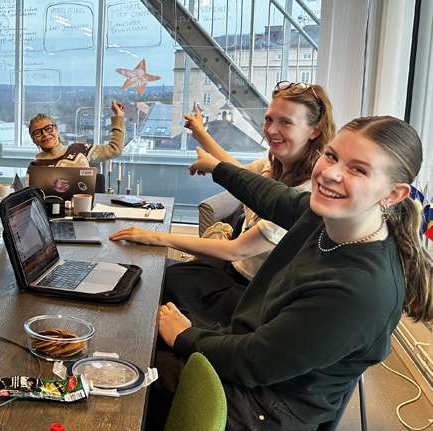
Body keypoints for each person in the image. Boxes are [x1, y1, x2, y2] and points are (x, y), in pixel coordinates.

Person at [146, 116, 433, 429]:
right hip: (254, 361)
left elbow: (253, 362)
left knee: (137, 366)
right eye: (332, 156)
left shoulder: (358, 290)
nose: (331, 174)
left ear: (393, 194)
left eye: (358, 169)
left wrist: (185, 337)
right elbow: (269, 195)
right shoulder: (326, 217)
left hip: (265, 407)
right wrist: (218, 168)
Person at [110, 82, 335, 327]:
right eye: (269, 119)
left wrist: (157, 237)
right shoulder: (273, 165)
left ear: (314, 130)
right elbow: (239, 176)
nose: (271, 129)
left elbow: (236, 250)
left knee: (153, 286)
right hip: (230, 274)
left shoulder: (307, 192)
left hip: (251, 297)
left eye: (285, 122)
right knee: (148, 278)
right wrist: (201, 134)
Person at [29, 101, 126, 167]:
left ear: (57, 129)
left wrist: (119, 117)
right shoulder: (35, 166)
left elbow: (114, 150)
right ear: (33, 140)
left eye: (48, 128)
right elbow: (33, 195)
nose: (45, 134)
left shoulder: (80, 150)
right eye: (38, 133)